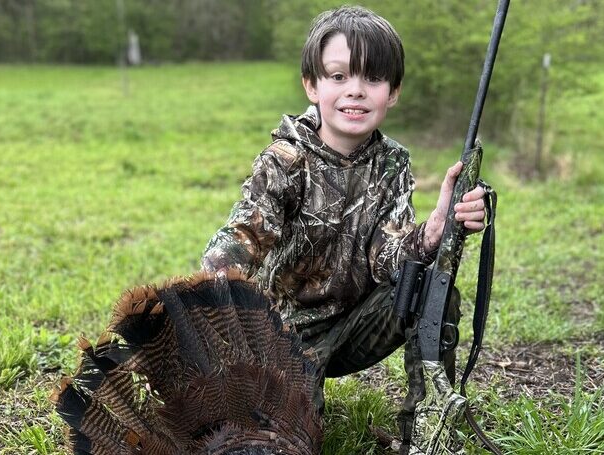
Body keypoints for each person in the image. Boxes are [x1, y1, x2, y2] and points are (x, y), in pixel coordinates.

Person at [201, 5, 487, 414]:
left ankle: (426, 421)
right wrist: (206, 294)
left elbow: (386, 263)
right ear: (312, 86)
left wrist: (435, 230)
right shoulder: (286, 159)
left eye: (372, 78)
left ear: (393, 92)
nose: (355, 90)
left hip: (355, 329)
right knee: (292, 434)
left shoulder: (393, 163)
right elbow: (243, 236)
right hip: (282, 339)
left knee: (432, 290)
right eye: (339, 76)